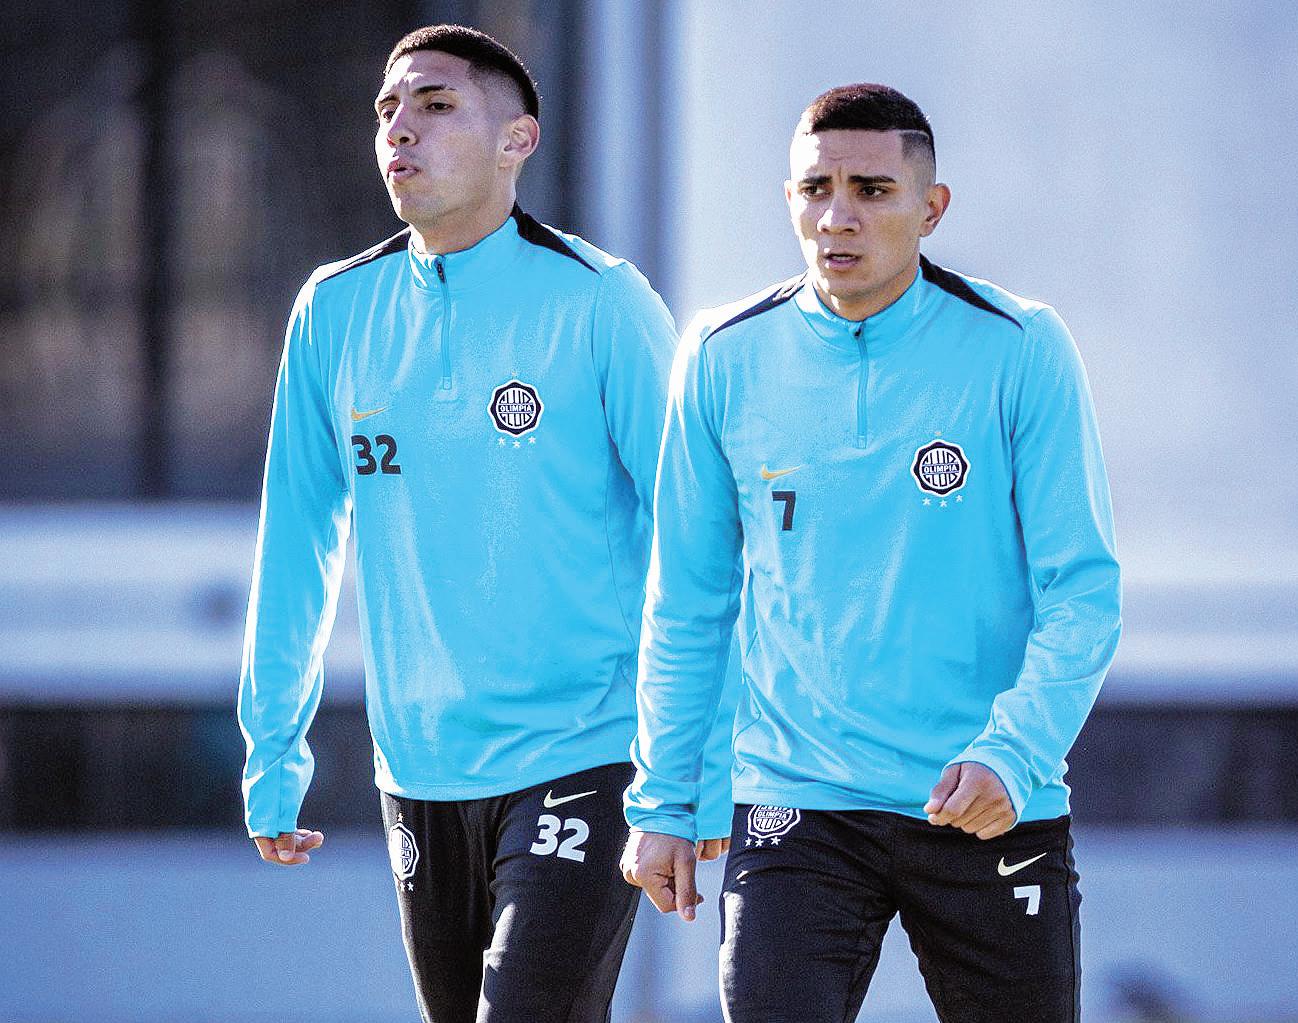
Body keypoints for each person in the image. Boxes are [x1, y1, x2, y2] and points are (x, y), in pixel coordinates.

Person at [236, 24, 732, 1023]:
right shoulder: (334, 310)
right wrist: (274, 745)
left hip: (583, 750)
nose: (400, 130)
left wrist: (696, 767)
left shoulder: (600, 301)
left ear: (518, 141)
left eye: (436, 105)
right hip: (417, 768)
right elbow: (296, 540)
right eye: (387, 109)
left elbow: (699, 540)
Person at [621, 83, 1121, 1022]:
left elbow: (1082, 593)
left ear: (931, 208)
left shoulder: (1020, 346)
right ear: (789, 199)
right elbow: (687, 600)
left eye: (873, 190)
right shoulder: (721, 355)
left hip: (984, 799)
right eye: (816, 188)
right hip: (797, 799)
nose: (838, 216)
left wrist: (1013, 753)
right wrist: (663, 800)